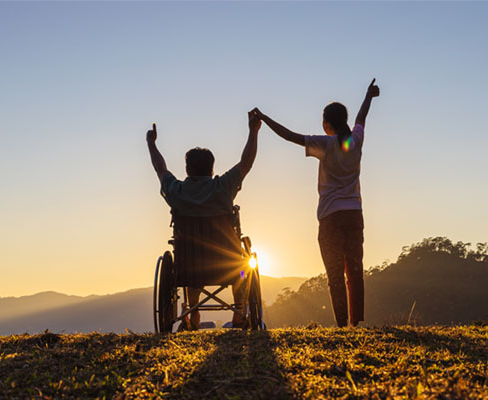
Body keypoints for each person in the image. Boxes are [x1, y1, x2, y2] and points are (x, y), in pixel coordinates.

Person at [251, 78, 380, 327]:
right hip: (354, 214)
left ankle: (341, 323)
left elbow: (290, 136)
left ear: (328, 125)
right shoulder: (355, 141)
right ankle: (356, 323)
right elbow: (362, 118)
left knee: (334, 274)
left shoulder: (326, 143)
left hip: (330, 216)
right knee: (354, 269)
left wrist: (264, 119)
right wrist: (368, 95)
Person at [146, 112, 261, 329]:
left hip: (188, 269)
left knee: (191, 255)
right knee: (244, 263)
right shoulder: (223, 187)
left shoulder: (177, 191)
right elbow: (246, 163)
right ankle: (239, 313)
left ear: (187, 169)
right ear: (212, 169)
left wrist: (151, 144)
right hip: (230, 266)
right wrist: (253, 132)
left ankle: (194, 314)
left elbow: (160, 169)